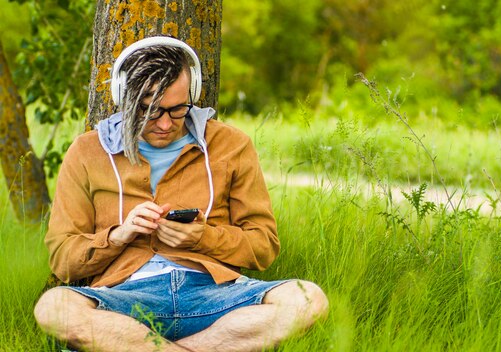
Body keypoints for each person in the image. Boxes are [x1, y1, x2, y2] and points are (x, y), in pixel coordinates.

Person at [34, 36, 328, 352]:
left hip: (216, 293)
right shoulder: (87, 151)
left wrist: (203, 238)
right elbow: (63, 259)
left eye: (177, 109)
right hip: (126, 298)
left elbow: (264, 246)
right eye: (149, 111)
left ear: (194, 93)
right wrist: (120, 235)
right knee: (54, 307)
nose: (165, 124)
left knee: (309, 298)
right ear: (124, 98)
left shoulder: (231, 145)